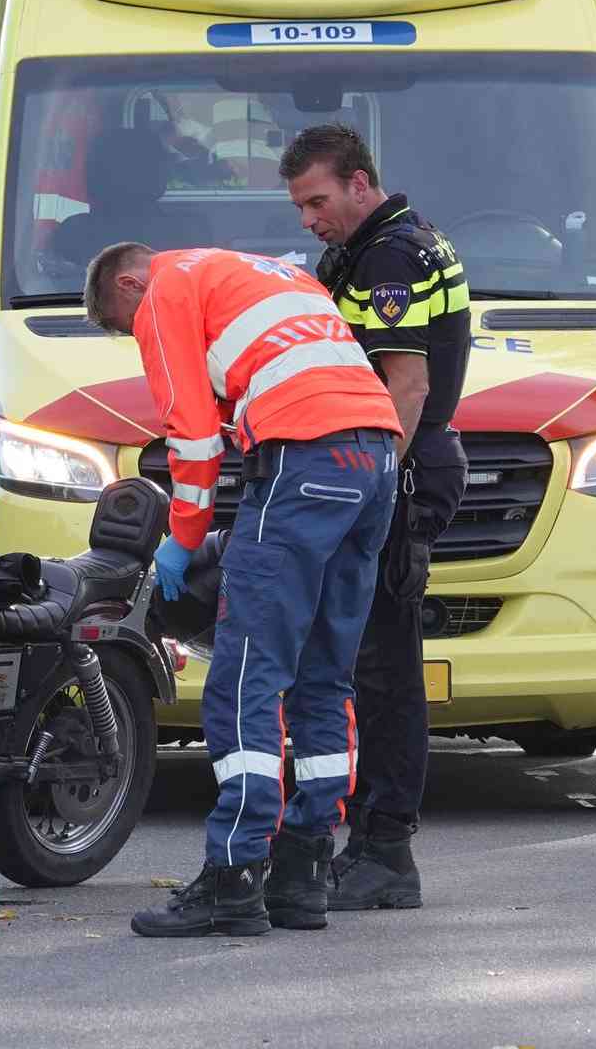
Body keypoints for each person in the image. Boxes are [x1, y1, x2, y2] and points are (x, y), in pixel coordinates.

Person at [84, 241, 401, 937]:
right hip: (375, 458)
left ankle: (234, 875)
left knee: (246, 673)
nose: (140, 338)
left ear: (133, 281)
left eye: (126, 325)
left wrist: (184, 536)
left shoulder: (167, 288)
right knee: (324, 674)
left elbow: (193, 437)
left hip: (305, 459)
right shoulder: (268, 274)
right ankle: (303, 873)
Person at [281, 124, 471, 913]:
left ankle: (387, 850)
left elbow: (407, 387)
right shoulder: (381, 247)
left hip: (393, 472)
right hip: (397, 471)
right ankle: (370, 839)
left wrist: (361, 488)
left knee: (387, 673)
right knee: (369, 667)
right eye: (299, 205)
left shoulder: (392, 257)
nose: (309, 219)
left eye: (317, 201)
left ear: (360, 183)